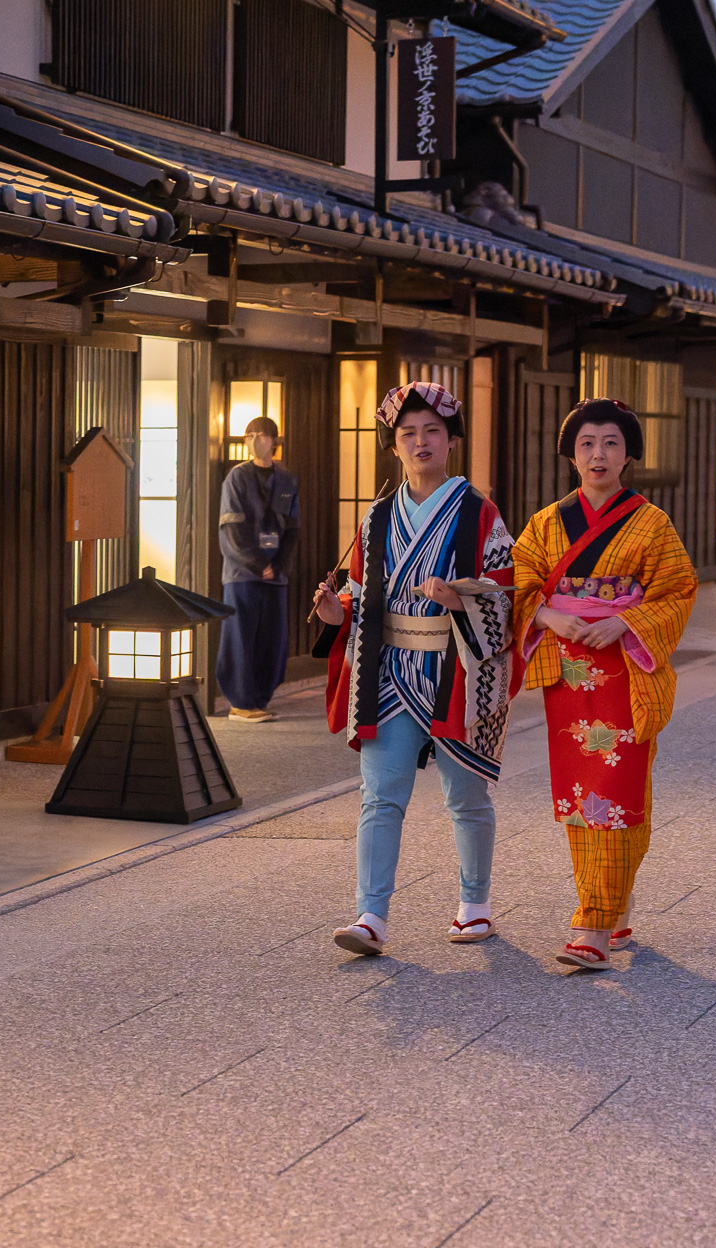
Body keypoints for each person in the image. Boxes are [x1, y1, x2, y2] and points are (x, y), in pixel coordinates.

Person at [310, 382, 518, 956]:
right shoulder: (376, 519)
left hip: (457, 669)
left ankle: (474, 904)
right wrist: (337, 612)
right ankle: (370, 914)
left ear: (451, 440)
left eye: (432, 431)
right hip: (388, 670)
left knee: (466, 796)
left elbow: (506, 595)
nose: (420, 442)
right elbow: (358, 593)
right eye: (408, 434)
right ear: (394, 446)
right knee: (380, 794)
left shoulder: (480, 513)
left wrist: (460, 599)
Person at [512, 399, 697, 971]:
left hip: (623, 670)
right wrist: (547, 617)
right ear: (571, 452)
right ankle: (608, 902)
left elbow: (677, 590)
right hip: (569, 672)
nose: (599, 454)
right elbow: (517, 582)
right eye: (587, 443)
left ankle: (592, 918)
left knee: (619, 789)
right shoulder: (546, 523)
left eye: (612, 443)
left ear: (629, 455)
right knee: (579, 792)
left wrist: (625, 620)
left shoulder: (652, 523)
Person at [216, 415, 300, 722]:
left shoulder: (287, 480)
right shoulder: (236, 478)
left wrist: (277, 566)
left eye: (261, 434)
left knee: (272, 638)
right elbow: (231, 529)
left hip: (276, 575)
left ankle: (260, 699)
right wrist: (257, 563)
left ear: (275, 441)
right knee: (240, 635)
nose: (254, 439)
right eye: (249, 434)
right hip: (242, 574)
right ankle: (240, 702)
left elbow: (292, 529)